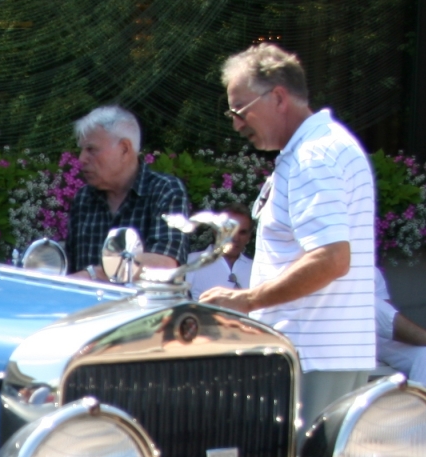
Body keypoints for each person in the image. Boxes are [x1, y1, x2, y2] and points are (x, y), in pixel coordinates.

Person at [199, 44, 375, 426]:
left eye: (240, 110)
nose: (236, 124)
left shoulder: (314, 156)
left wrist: (246, 299)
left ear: (278, 97)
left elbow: (331, 259)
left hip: (311, 357)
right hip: (318, 355)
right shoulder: (318, 148)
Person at [66, 105, 188, 276]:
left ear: (124, 148)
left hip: (149, 303)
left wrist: (94, 275)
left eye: (91, 149)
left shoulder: (165, 190)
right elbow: (72, 268)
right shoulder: (84, 198)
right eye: (82, 150)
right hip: (95, 303)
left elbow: (165, 263)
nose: (82, 158)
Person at [183, 206, 253, 296]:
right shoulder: (192, 261)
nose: (236, 238)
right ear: (216, 231)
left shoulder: (256, 268)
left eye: (242, 232)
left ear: (249, 236)